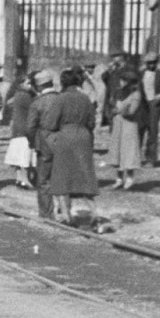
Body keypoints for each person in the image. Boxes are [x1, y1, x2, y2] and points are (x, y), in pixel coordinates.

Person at [41, 67, 99, 225]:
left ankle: (66, 215)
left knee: (61, 177)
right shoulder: (85, 98)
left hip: (65, 137)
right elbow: (92, 123)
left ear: (63, 82)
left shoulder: (61, 99)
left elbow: (50, 123)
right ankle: (94, 213)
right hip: (83, 137)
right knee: (85, 175)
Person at [25, 69, 60, 220]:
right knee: (61, 178)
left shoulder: (37, 103)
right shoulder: (62, 99)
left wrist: (33, 143)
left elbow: (30, 128)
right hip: (63, 141)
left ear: (39, 87)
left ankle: (46, 214)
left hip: (44, 143)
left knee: (44, 180)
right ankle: (62, 210)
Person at [108, 70, 143, 190]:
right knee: (118, 150)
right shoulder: (119, 92)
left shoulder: (136, 95)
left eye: (124, 81)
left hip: (129, 125)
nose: (121, 83)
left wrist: (119, 110)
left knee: (128, 150)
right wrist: (112, 108)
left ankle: (129, 178)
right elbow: (112, 104)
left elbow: (132, 111)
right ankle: (119, 178)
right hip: (118, 124)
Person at [3, 74, 36, 188]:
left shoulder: (16, 95)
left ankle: (19, 179)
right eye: (28, 83)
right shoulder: (26, 96)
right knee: (24, 157)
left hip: (16, 129)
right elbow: (35, 109)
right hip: (24, 130)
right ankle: (25, 180)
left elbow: (8, 104)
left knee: (17, 156)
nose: (30, 85)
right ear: (21, 84)